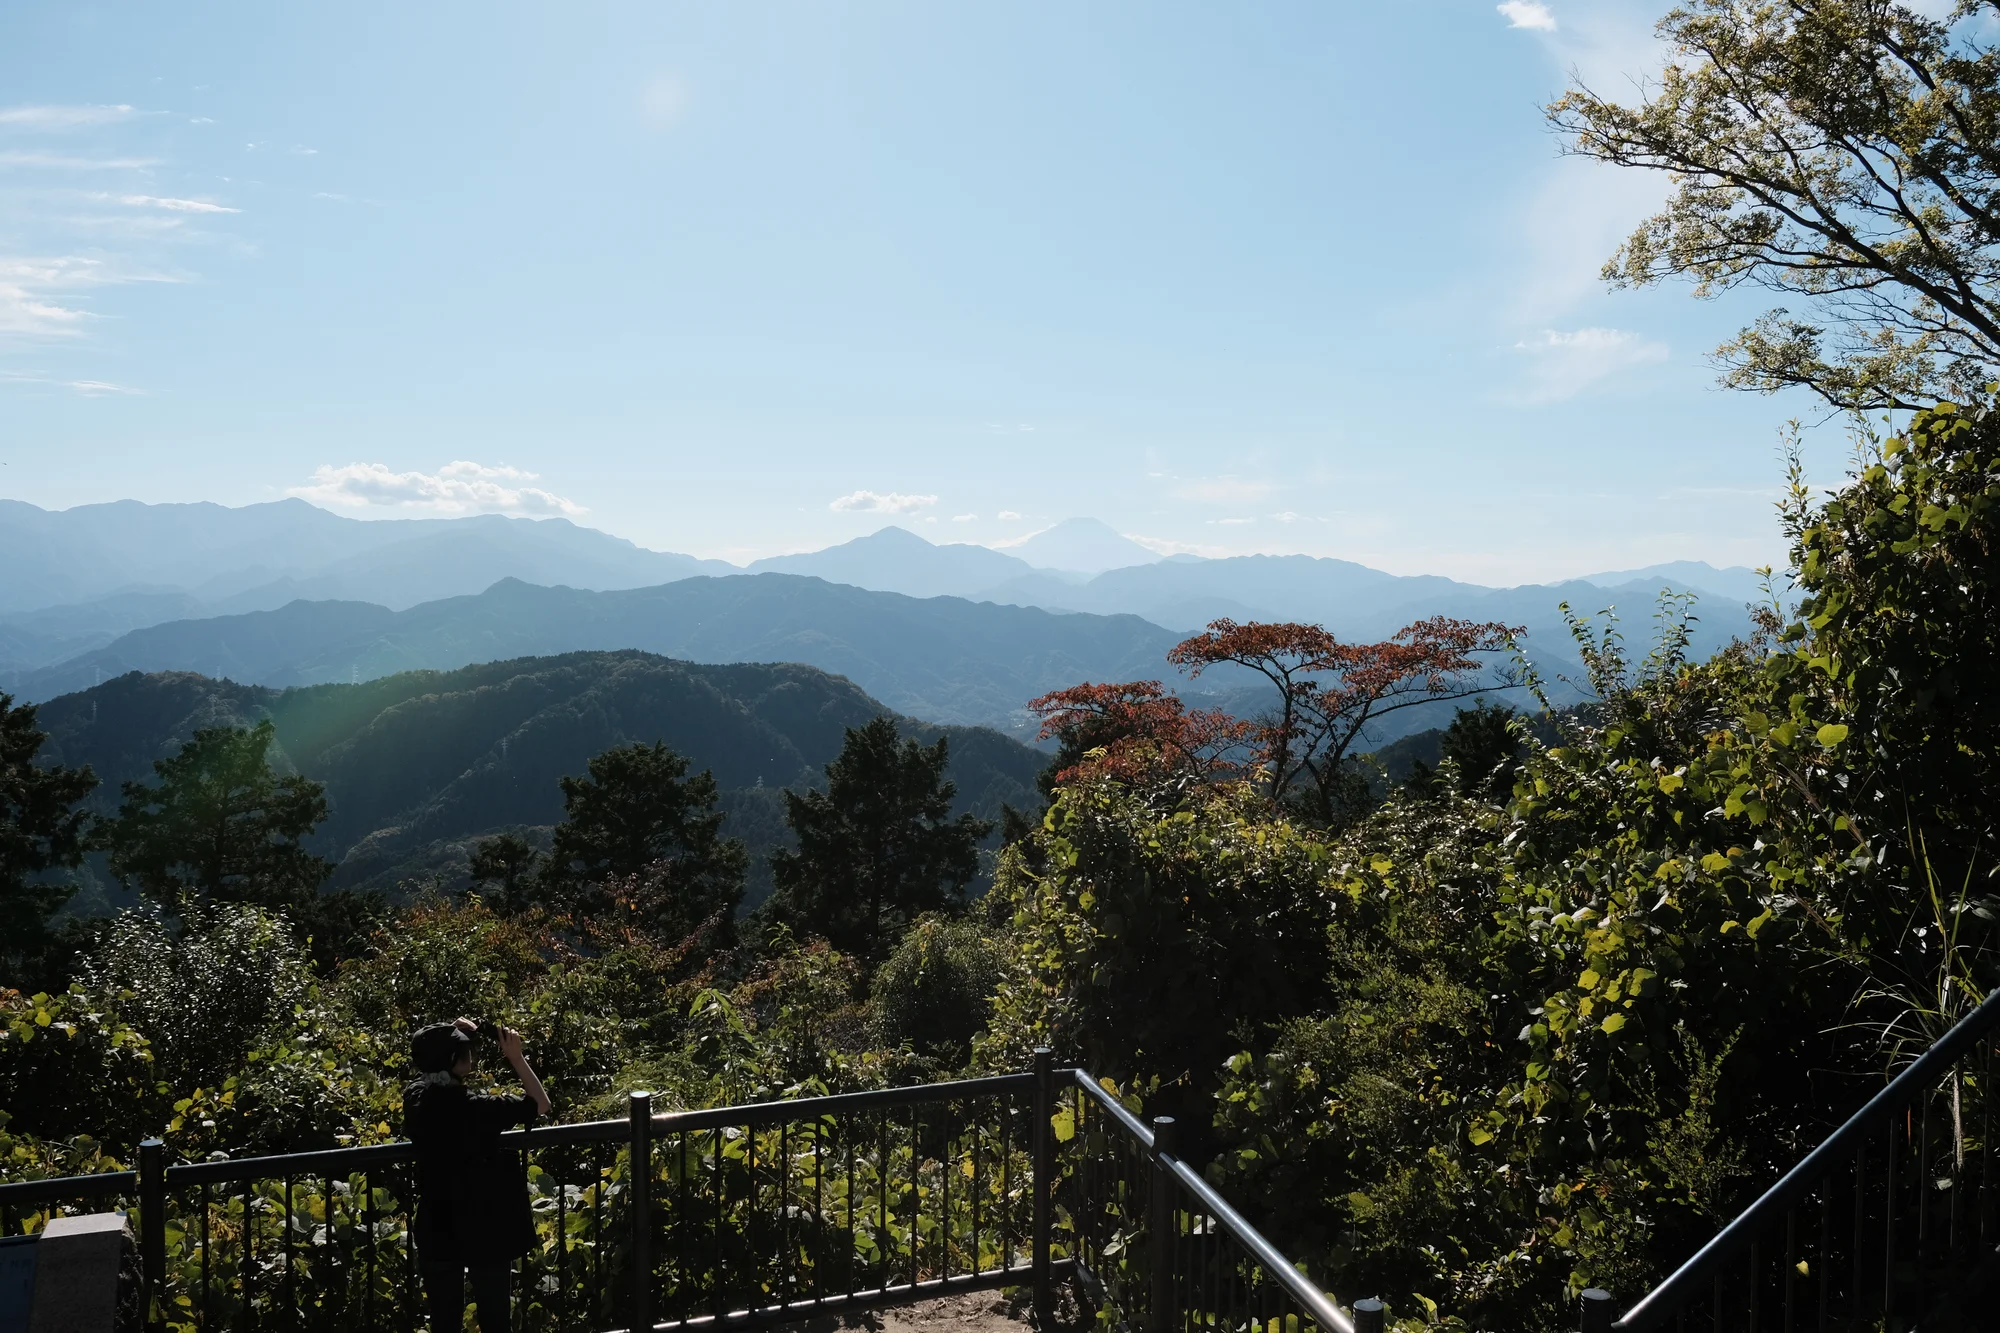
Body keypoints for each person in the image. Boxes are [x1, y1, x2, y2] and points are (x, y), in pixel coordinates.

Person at [405, 1017, 552, 1333]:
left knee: (445, 1322)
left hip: (437, 1224)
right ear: (453, 1059)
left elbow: (432, 1067)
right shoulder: (476, 1107)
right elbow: (540, 1103)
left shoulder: (415, 1098)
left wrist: (458, 1032)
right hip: (485, 1226)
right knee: (496, 1319)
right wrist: (516, 1057)